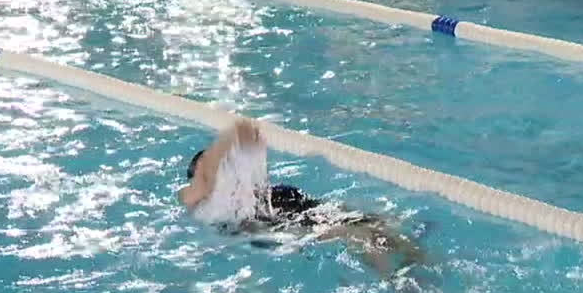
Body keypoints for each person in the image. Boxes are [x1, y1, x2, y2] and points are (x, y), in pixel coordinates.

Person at [178, 118, 425, 278]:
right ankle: (393, 281)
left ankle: (421, 261)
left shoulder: (249, 192)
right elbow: (207, 173)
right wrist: (231, 135)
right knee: (356, 235)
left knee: (377, 223)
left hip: (285, 205)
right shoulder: (195, 200)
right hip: (269, 226)